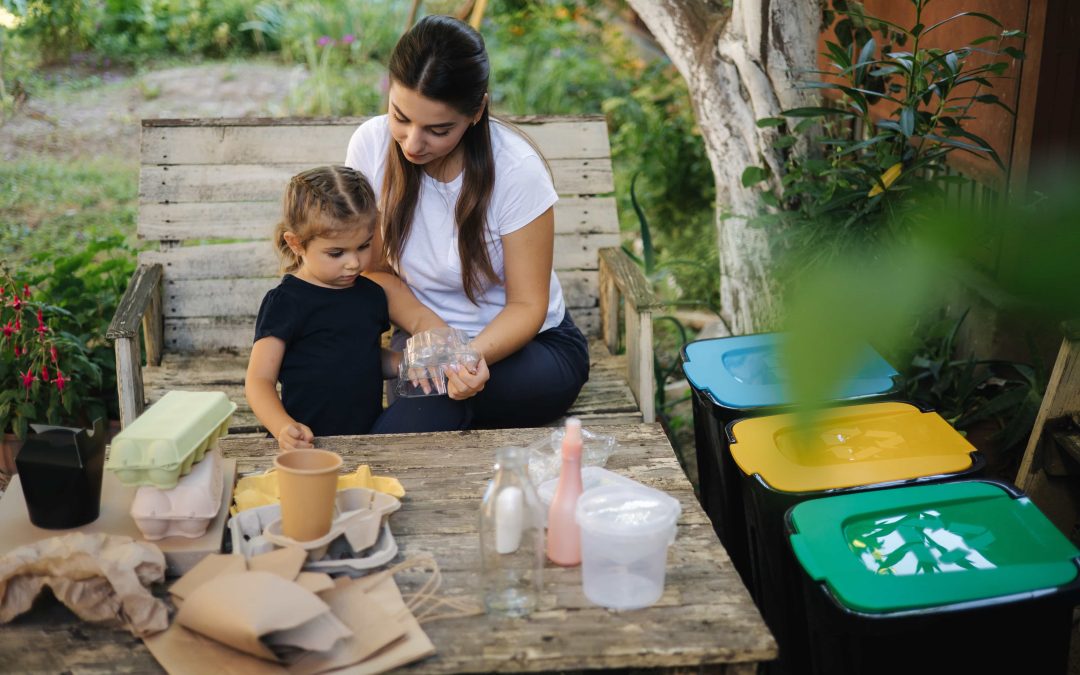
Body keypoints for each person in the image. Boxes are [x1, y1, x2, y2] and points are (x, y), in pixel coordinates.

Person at [346, 15, 590, 433]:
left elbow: (527, 306)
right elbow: (373, 270)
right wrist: (437, 339)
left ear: (476, 111)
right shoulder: (370, 146)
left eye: (438, 130)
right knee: (423, 390)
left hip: (529, 349)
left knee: (434, 395)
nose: (412, 143)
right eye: (400, 117)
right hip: (424, 339)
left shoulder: (516, 171)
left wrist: (466, 358)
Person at [244, 165, 456, 450]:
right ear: (296, 244)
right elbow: (259, 380)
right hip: (307, 440)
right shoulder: (286, 302)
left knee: (446, 407)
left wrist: (405, 363)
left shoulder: (370, 294)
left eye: (363, 246)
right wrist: (282, 427)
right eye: (336, 253)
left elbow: (361, 356)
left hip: (367, 434)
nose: (354, 263)